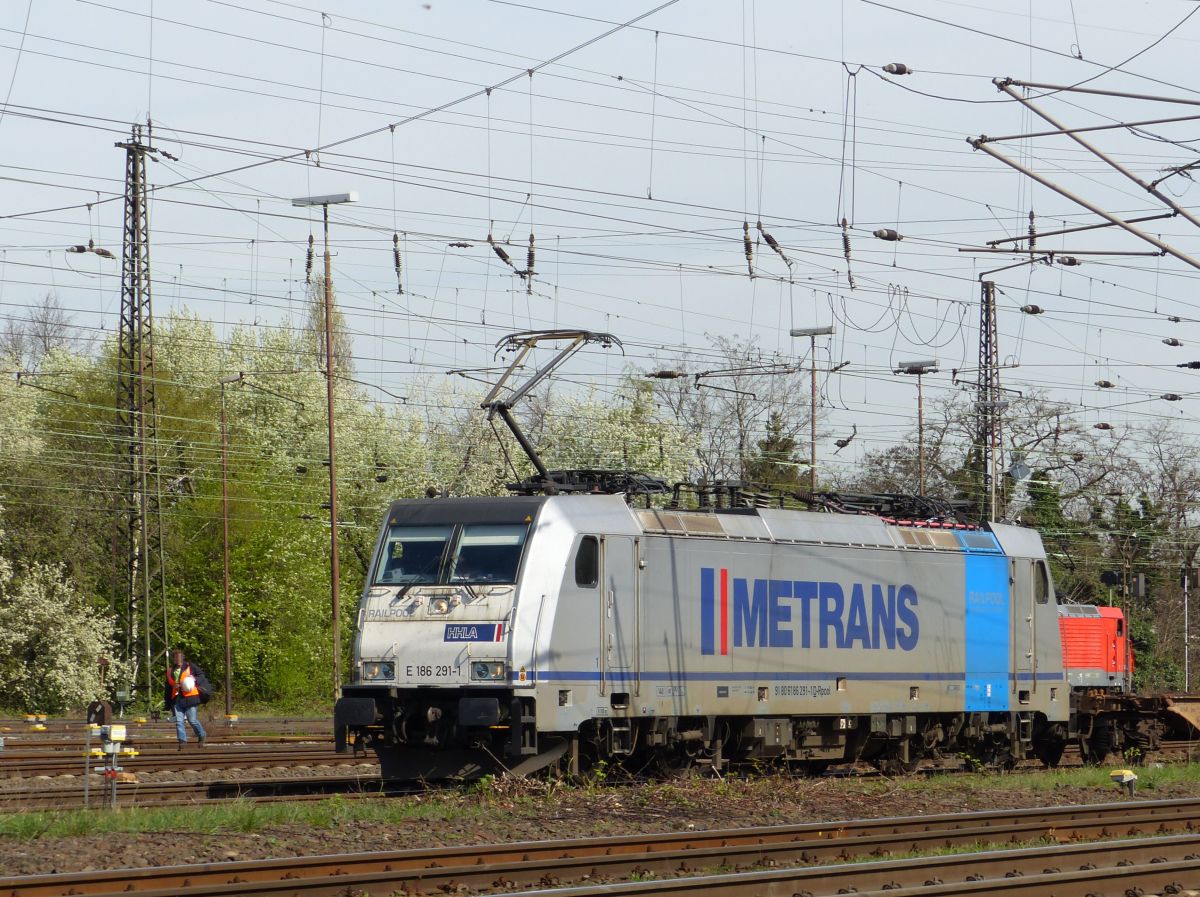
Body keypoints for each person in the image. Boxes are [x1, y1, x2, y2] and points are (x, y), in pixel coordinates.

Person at [165, 648, 207, 748]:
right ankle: (182, 741)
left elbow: (201, 675)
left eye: (179, 657)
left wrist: (194, 679)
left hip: (190, 698)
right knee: (179, 721)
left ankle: (201, 735)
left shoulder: (190, 666)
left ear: (183, 658)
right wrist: (167, 703)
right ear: (174, 659)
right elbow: (167, 688)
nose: (178, 660)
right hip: (177, 698)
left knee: (192, 720)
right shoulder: (170, 671)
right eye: (176, 658)